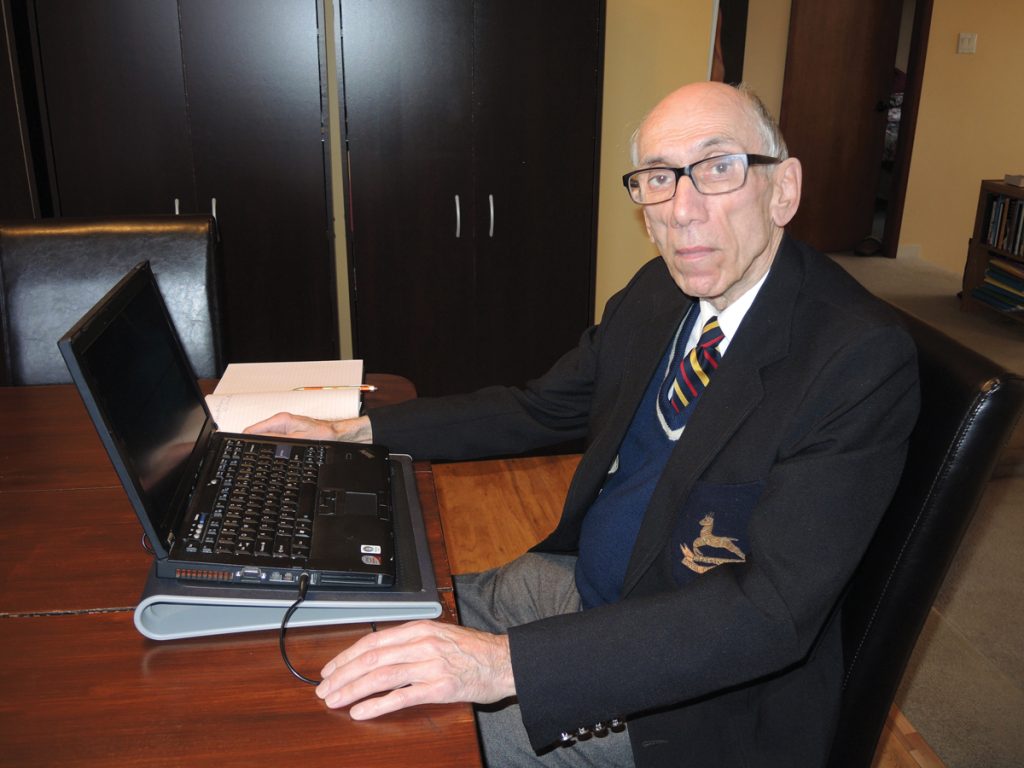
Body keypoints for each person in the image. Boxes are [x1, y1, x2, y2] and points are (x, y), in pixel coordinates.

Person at [247, 81, 920, 767]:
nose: (683, 211)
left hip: (699, 705)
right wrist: (357, 433)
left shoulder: (855, 359)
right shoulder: (661, 292)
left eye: (719, 169)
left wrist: (502, 666)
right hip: (588, 589)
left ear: (783, 189)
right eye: (659, 179)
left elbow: (768, 611)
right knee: (344, 615)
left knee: (368, 740)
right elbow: (535, 408)